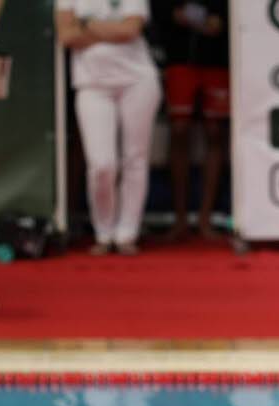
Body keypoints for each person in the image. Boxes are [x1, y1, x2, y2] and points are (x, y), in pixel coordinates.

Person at [56, 0, 161, 256]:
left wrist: (87, 24)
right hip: (92, 85)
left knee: (135, 157)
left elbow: (130, 31)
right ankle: (103, 231)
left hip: (137, 80)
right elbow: (67, 36)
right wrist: (111, 30)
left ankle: (127, 233)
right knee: (101, 163)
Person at [154, 0, 230, 241]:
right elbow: (167, 13)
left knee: (215, 131)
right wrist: (199, 21)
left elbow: (219, 23)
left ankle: (206, 219)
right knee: (179, 130)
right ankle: (180, 219)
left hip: (218, 61)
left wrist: (196, 20)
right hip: (178, 60)